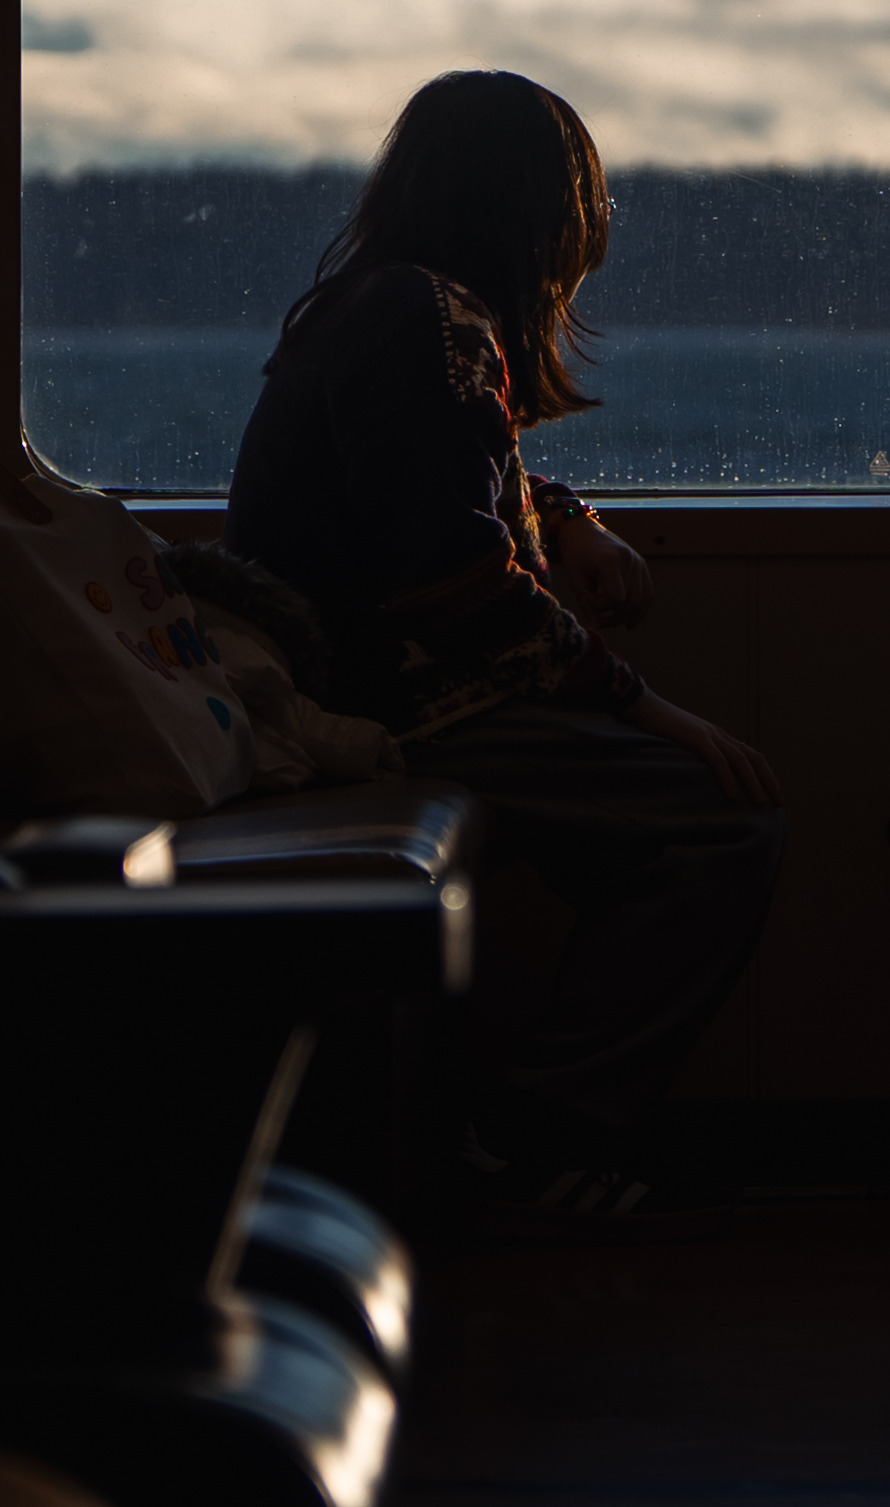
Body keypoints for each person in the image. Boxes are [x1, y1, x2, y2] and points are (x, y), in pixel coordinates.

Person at [220, 70, 778, 1223]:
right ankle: (540, 1142)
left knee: (651, 823)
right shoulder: (432, 324)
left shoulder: (381, 308)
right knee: (720, 817)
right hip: (384, 700)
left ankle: (501, 1124)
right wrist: (641, 704)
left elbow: (443, 480)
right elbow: (454, 579)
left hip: (367, 673)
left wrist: (563, 522)